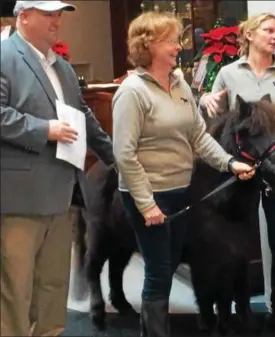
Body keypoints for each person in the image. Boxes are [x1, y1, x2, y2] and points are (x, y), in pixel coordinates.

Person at [112, 11, 256, 337]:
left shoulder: (179, 85)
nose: (178, 46)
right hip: (148, 195)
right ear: (147, 45)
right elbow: (124, 153)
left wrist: (229, 164)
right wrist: (147, 204)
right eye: (170, 41)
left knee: (170, 263)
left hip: (180, 192)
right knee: (160, 270)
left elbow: (198, 137)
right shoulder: (132, 92)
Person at [0, 1, 115, 336]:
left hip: (62, 194)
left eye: (59, 14)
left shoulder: (62, 67)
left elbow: (85, 119)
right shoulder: (4, 57)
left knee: (52, 287)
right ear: (23, 16)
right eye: (48, 13)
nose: (57, 21)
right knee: (14, 291)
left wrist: (117, 158)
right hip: (18, 200)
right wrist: (43, 130)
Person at [199, 12, 275, 336]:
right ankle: (238, 308)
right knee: (238, 245)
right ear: (249, 34)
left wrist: (273, 141)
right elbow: (211, 116)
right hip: (239, 175)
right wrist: (205, 99)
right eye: (268, 30)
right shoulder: (228, 74)